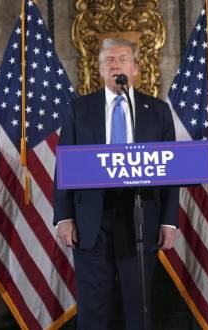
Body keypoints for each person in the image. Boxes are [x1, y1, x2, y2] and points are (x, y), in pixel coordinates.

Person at [53, 38, 179, 330]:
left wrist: (168, 221)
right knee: (94, 303)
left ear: (135, 69)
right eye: (108, 61)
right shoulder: (79, 109)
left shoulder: (156, 110)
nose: (115, 65)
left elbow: (171, 170)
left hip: (140, 214)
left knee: (139, 301)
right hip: (90, 217)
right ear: (99, 70)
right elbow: (65, 165)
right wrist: (64, 216)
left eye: (122, 59)